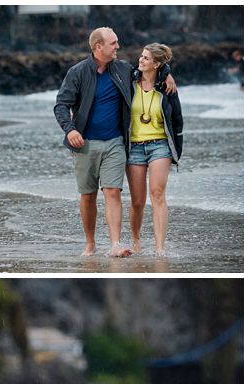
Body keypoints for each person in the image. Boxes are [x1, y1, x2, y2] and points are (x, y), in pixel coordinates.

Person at [53, 27, 176, 258]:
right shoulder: (77, 73)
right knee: (88, 195)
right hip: (84, 144)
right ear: (98, 47)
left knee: (113, 192)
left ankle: (115, 244)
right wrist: (69, 130)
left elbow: (149, 70)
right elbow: (61, 105)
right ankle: (90, 243)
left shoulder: (122, 69)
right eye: (113, 43)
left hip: (116, 143)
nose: (118, 47)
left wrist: (166, 73)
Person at [127, 43, 184, 257]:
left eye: (146, 58)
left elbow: (177, 120)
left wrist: (176, 149)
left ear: (156, 64)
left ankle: (160, 247)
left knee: (157, 194)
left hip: (160, 144)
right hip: (133, 146)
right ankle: (135, 238)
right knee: (138, 200)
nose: (140, 60)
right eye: (141, 56)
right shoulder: (129, 81)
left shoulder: (167, 88)